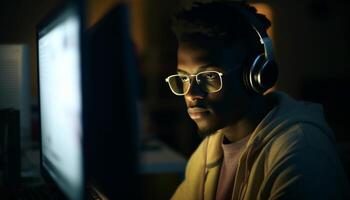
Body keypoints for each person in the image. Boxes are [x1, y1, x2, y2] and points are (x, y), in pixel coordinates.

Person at [165, 1, 350, 200]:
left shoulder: (302, 153)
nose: (191, 93)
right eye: (184, 78)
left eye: (208, 76)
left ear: (255, 75)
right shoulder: (208, 152)